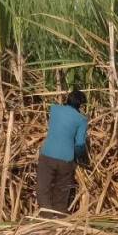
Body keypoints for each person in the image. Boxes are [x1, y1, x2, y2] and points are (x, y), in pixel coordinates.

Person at [36, 90, 89, 218]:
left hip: (47, 155)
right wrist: (80, 156)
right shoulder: (82, 120)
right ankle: (60, 220)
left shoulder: (54, 109)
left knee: (43, 188)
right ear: (81, 105)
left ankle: (46, 218)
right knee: (62, 191)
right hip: (66, 160)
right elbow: (80, 144)